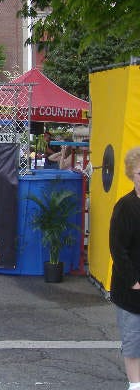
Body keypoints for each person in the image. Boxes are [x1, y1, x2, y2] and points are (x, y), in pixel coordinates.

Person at [109, 146, 140, 390]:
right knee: (133, 341)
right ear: (132, 174)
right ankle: (135, 385)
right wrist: (133, 281)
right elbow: (118, 249)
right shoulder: (125, 207)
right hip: (132, 291)